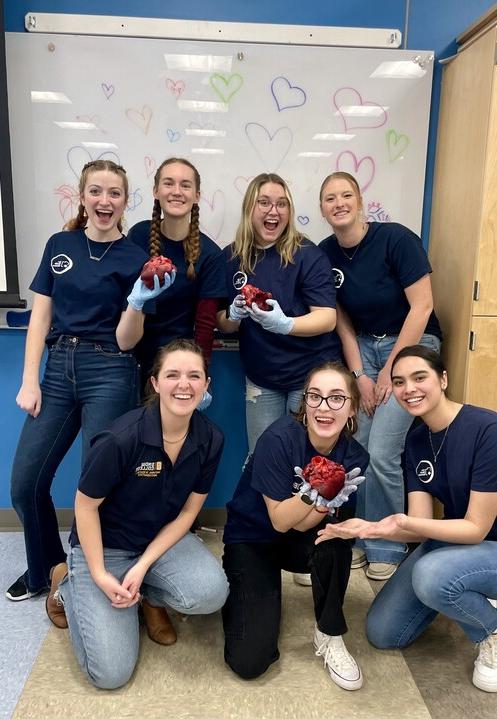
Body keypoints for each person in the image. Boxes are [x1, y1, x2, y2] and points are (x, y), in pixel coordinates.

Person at [8, 160, 169, 603]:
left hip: (111, 369)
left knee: (93, 484)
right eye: (96, 191)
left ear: (124, 201)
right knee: (25, 482)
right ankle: (45, 568)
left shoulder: (137, 259)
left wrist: (137, 303)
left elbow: (126, 339)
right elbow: (41, 315)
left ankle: (81, 579)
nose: (105, 201)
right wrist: (30, 379)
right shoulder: (60, 244)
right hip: (58, 370)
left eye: (114, 193)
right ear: (82, 196)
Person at [47, 339, 229, 690]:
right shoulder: (121, 438)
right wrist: (100, 575)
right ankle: (67, 584)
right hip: (104, 546)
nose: (184, 384)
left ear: (206, 385)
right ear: (155, 383)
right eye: (172, 374)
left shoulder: (211, 439)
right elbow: (85, 506)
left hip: (157, 541)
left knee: (210, 593)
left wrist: (144, 564)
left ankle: (145, 595)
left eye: (195, 375)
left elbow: (189, 512)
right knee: (110, 675)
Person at [316, 345, 497, 693]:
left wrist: (396, 524)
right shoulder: (416, 439)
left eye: (419, 377)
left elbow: (478, 527)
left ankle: (489, 631)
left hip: (483, 538)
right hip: (461, 540)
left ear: (443, 379)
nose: (409, 389)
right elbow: (419, 521)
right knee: (383, 633)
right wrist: (369, 528)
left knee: (431, 575)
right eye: (399, 382)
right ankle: (467, 586)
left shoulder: (486, 429)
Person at [318, 171, 442, 580]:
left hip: (412, 345)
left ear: (359, 199)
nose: (339, 203)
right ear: (322, 208)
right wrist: (360, 374)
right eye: (330, 198)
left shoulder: (395, 239)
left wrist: (391, 371)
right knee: (357, 445)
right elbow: (341, 321)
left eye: (346, 195)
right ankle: (360, 536)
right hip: (363, 351)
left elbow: (422, 307)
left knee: (385, 450)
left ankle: (387, 544)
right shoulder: (326, 253)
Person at [222, 361, 369, 691]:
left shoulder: (354, 456)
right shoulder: (278, 439)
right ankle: (258, 588)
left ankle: (329, 632)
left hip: (304, 536)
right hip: (254, 537)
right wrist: (314, 493)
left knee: (336, 538)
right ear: (304, 403)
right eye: (314, 397)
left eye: (336, 398)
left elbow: (317, 526)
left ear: (353, 407)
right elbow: (278, 521)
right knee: (249, 662)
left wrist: (324, 505)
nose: (324, 407)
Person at [218, 172, 340, 455]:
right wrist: (234, 315)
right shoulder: (232, 257)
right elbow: (223, 324)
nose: (274, 211)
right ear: (250, 208)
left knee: (307, 462)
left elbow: (327, 318)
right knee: (262, 458)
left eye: (282, 204)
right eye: (264, 202)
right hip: (262, 378)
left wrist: (284, 324)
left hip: (309, 376)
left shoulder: (307, 255)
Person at [128, 157, 226, 390]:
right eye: (169, 183)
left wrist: (200, 375)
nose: (176, 192)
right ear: (156, 191)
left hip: (177, 365)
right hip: (130, 356)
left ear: (197, 196)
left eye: (185, 185)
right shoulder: (138, 236)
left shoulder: (211, 254)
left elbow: (204, 324)